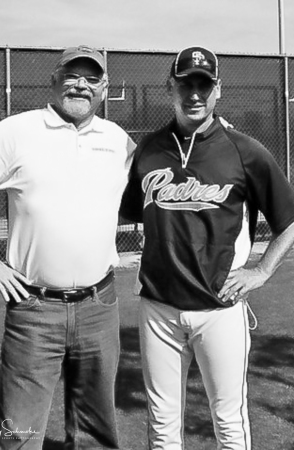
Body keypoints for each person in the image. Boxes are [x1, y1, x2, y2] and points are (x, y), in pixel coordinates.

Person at [0, 45, 135, 450]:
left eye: (92, 78)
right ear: (53, 80)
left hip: (100, 305)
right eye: (72, 75)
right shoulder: (17, 130)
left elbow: (162, 176)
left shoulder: (118, 140)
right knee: (18, 435)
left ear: (105, 88)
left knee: (95, 432)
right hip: (34, 309)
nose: (81, 84)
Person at [120, 46, 294, 449]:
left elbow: (288, 221)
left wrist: (261, 271)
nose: (194, 93)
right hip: (158, 307)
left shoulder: (244, 149)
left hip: (221, 307)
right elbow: (130, 212)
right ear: (171, 88)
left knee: (228, 422)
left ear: (218, 90)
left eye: (203, 84)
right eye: (185, 83)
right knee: (162, 427)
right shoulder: (148, 149)